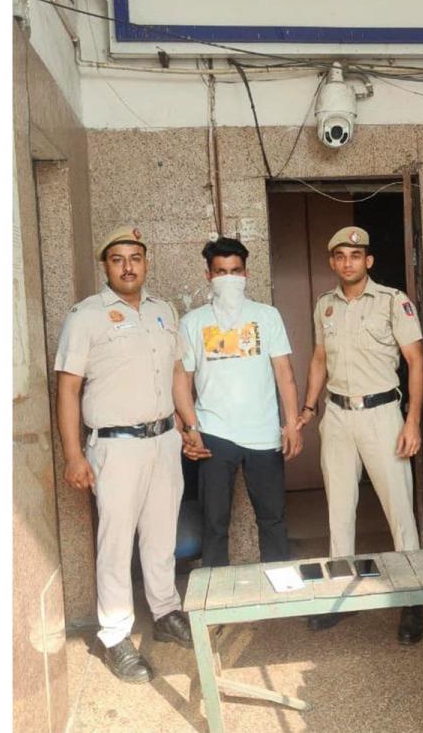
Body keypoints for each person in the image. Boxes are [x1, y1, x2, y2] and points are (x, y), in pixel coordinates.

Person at [54, 224, 193, 686]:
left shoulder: (163, 310)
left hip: (164, 440)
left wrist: (189, 425)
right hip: (115, 447)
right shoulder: (86, 317)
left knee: (161, 534)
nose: (128, 267)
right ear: (106, 266)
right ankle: (115, 634)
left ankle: (166, 611)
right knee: (115, 543)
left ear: (146, 262)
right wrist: (73, 455)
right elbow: (68, 388)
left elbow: (177, 372)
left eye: (135, 258)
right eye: (118, 259)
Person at [297, 226, 423, 644]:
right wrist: (309, 407)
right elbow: (319, 358)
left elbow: (416, 361)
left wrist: (412, 422)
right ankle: (342, 596)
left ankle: (413, 598)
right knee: (339, 510)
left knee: (399, 509)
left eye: (355, 255)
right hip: (338, 415)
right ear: (332, 263)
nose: (348, 262)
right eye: (340, 256)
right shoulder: (325, 306)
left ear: (368, 261)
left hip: (382, 415)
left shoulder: (392, 301)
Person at [173, 236, 302, 566]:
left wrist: (292, 424)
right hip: (213, 433)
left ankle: (279, 584)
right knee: (214, 523)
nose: (228, 279)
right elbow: (181, 381)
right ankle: (216, 591)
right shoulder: (192, 323)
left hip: (264, 434)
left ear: (246, 274)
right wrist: (190, 428)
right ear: (208, 276)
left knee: (273, 519)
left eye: (235, 271)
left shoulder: (267, 316)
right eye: (221, 272)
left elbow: (284, 373)